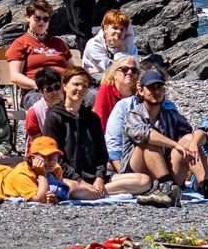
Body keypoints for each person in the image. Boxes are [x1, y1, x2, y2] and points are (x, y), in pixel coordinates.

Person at [42, 67, 147, 195]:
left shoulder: (92, 119)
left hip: (92, 176)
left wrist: (99, 178)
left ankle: (95, 192)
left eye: (84, 86)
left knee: (144, 180)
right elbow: (54, 157)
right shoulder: (54, 117)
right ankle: (93, 192)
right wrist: (79, 180)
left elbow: (101, 154)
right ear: (65, 85)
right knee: (72, 188)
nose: (80, 89)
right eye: (76, 84)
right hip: (68, 177)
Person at [104, 67, 202, 197]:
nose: (156, 92)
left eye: (160, 87)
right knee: (148, 142)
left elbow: (193, 131)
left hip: (166, 168)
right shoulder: (133, 114)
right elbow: (145, 133)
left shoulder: (171, 115)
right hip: (136, 171)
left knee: (190, 139)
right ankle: (166, 185)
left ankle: (205, 185)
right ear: (140, 90)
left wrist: (194, 141)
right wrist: (175, 145)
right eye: (151, 88)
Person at [2, 0, 73, 93]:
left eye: (45, 19)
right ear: (28, 17)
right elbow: (15, 76)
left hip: (63, 88)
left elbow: (72, 70)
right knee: (48, 106)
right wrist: (37, 86)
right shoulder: (20, 43)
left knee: (92, 97)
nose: (41, 22)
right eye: (37, 18)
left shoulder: (59, 43)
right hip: (35, 90)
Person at [0, 134, 72, 202]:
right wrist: (42, 174)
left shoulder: (56, 168)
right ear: (33, 158)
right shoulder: (22, 174)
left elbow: (52, 194)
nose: (52, 161)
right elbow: (39, 200)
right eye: (46, 157)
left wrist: (55, 198)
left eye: (54, 156)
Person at [80, 7, 142, 78]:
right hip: (94, 78)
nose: (119, 32)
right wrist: (121, 52)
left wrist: (121, 49)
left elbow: (134, 67)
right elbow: (110, 69)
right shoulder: (94, 44)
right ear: (105, 28)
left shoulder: (131, 46)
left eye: (122, 29)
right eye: (115, 28)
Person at [91, 53, 143, 133]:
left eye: (134, 70)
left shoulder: (139, 92)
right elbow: (100, 119)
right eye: (124, 69)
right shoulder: (106, 89)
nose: (129, 72)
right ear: (115, 74)